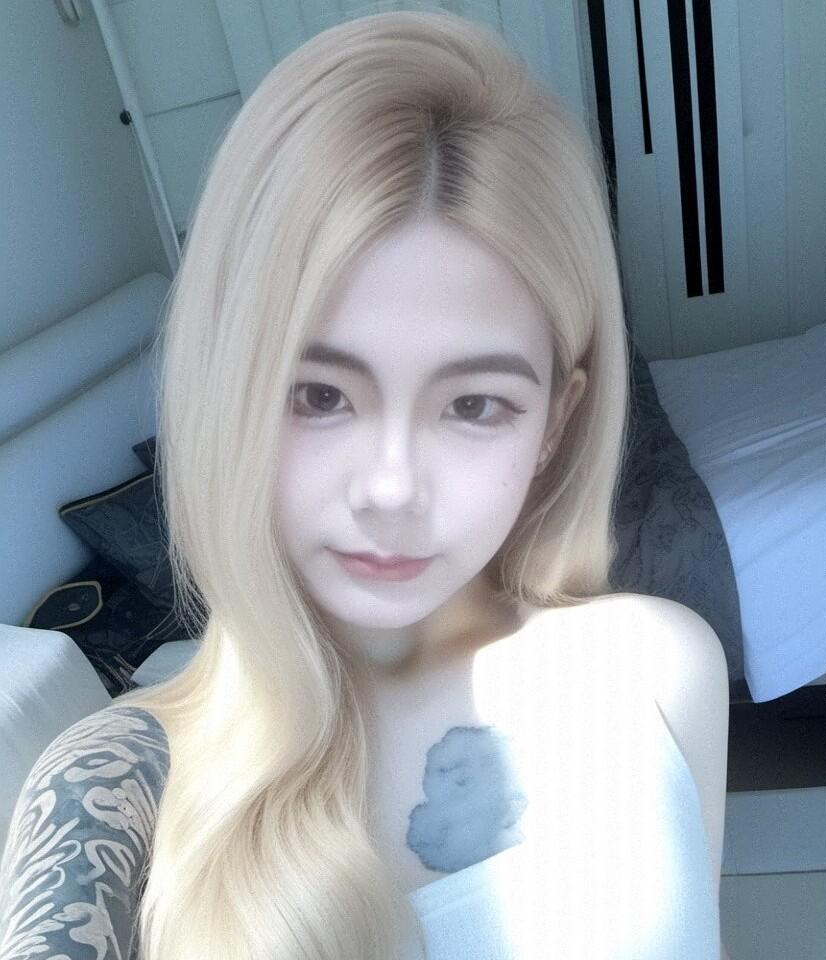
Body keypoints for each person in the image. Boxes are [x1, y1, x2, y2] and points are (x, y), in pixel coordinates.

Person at [0, 9, 730, 959]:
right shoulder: (116, 788)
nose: (391, 489)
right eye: (318, 395)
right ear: (227, 390)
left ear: (556, 423)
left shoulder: (660, 671)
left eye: (474, 405)